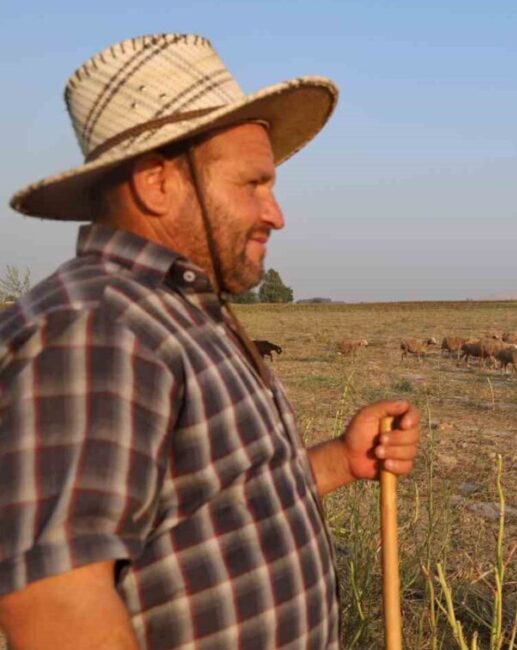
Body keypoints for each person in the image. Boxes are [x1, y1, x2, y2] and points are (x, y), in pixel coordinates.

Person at [0, 34, 420, 649]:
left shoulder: (176, 312)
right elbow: (55, 605)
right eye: (252, 184)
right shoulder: (98, 326)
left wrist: (339, 461)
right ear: (156, 183)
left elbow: (207, 504)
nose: (275, 213)